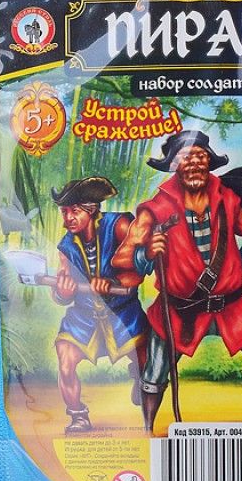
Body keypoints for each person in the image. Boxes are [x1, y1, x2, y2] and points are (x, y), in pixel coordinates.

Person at [112, 130, 242, 434]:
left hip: (229, 303)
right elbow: (124, 258)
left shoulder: (226, 199)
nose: (194, 163)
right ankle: (147, 425)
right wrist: (147, 253)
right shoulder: (157, 208)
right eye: (185, 157)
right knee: (155, 369)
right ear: (174, 165)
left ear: (209, 162)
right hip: (179, 309)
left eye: (200, 156)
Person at [49, 177, 148, 434]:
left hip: (123, 315)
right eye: (64, 212)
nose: (68, 218)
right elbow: (61, 289)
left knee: (147, 360)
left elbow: (141, 265)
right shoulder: (66, 246)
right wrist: (62, 292)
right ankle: (78, 415)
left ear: (91, 209)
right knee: (65, 360)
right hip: (83, 318)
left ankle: (140, 378)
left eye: (74, 211)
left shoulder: (120, 225)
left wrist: (115, 282)